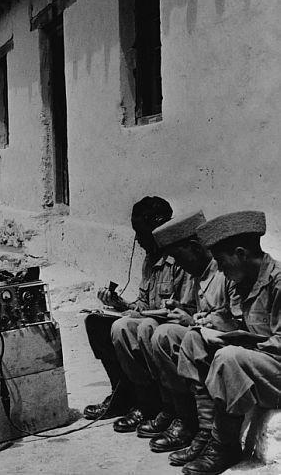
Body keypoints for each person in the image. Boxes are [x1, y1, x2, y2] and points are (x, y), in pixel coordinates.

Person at [176, 211, 281, 475]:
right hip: (258, 363)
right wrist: (213, 324)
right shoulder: (242, 280)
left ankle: (224, 445)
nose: (220, 270)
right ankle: (205, 430)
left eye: (222, 263)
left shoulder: (278, 282)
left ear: (241, 253)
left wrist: (244, 343)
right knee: (193, 340)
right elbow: (235, 319)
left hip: (276, 371)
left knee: (229, 356)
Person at [84, 196, 193, 427]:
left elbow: (182, 311)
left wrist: (141, 315)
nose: (137, 239)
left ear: (158, 228)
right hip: (150, 322)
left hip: (170, 327)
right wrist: (121, 304)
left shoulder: (182, 259)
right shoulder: (150, 259)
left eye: (141, 232)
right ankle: (123, 394)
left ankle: (153, 403)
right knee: (97, 322)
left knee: (136, 327)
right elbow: (144, 305)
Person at [146, 211, 238, 459]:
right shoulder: (199, 273)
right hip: (204, 340)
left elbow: (236, 320)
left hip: (223, 345)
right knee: (161, 335)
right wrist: (184, 312)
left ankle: (203, 429)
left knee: (171, 336)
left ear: (196, 247)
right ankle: (184, 416)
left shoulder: (224, 271)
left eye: (178, 256)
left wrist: (195, 321)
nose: (177, 264)